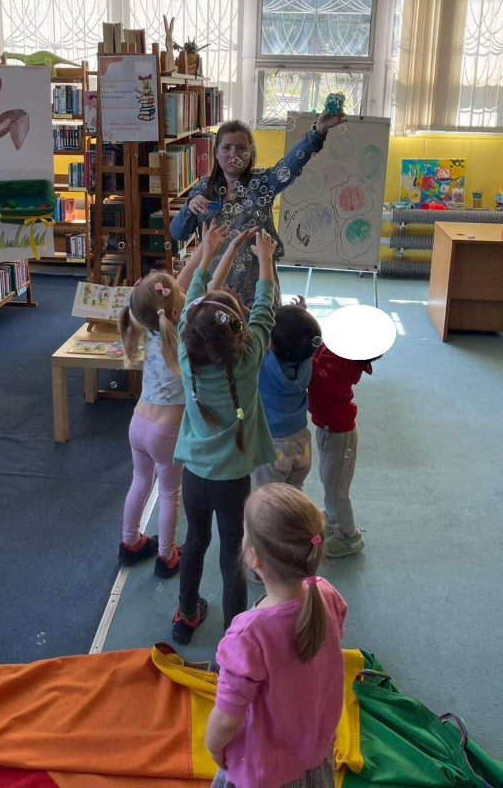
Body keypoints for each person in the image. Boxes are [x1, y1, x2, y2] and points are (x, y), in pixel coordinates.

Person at [171, 225, 278, 645]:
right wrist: (264, 259)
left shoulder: (185, 354)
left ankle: (185, 615)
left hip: (195, 477)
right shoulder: (249, 359)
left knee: (194, 541)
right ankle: (234, 635)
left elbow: (193, 300)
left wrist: (211, 251)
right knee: (233, 555)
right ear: (239, 330)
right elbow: (265, 309)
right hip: (233, 481)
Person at [206, 483, 346, 788]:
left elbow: (227, 717)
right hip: (316, 751)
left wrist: (213, 745)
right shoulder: (326, 592)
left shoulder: (248, 634)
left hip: (265, 771)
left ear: (253, 557)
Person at [169, 111, 346, 310]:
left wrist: (317, 131)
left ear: (250, 152)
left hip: (257, 288)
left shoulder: (263, 182)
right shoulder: (204, 188)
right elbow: (177, 234)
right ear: (216, 152)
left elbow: (290, 164)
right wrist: (189, 209)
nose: (234, 154)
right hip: (214, 289)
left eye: (241, 148)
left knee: (261, 329)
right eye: (227, 147)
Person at [117, 242, 213, 579]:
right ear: (173, 309)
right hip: (166, 431)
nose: (184, 289)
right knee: (170, 492)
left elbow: (176, 285)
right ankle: (167, 555)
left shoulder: (150, 325)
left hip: (139, 423)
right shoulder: (184, 331)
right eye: (180, 292)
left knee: (140, 481)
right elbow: (196, 286)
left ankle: (130, 542)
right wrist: (208, 257)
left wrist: (204, 248)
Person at [308, 343, 375, 559]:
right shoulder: (335, 348)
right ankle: (332, 519)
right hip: (327, 426)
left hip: (339, 433)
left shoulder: (347, 360)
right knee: (328, 480)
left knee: (338, 490)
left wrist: (309, 360)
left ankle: (349, 536)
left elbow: (326, 383)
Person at [255, 297, 322, 492]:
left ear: (271, 343)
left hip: (273, 445)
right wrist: (301, 316)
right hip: (301, 440)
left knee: (271, 500)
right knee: (294, 493)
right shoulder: (307, 360)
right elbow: (303, 340)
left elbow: (254, 335)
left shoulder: (263, 362)